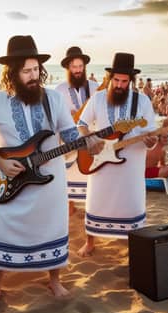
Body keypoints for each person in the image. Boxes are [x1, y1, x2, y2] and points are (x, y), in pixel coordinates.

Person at [0, 35, 103, 307]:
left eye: (35, 70)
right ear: (12, 72)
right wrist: (2, 163)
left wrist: (88, 142)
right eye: (26, 71)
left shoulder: (53, 98)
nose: (33, 76)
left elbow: (68, 132)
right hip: (10, 182)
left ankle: (54, 280)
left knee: (53, 229)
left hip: (50, 184)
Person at [77, 52, 157, 256]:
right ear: (110, 78)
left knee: (131, 203)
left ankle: (133, 242)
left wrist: (151, 140)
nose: (120, 85)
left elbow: (151, 133)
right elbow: (82, 124)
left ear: (131, 80)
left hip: (131, 164)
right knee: (96, 200)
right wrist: (90, 138)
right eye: (116, 80)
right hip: (101, 160)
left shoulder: (142, 101)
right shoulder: (98, 98)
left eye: (124, 81)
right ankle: (90, 241)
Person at [55, 47, 99, 215]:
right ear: (68, 68)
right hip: (70, 142)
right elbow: (56, 117)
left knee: (92, 181)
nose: (78, 70)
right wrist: (68, 116)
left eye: (80, 66)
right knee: (70, 179)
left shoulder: (96, 88)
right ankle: (70, 209)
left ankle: (91, 210)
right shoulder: (59, 90)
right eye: (74, 66)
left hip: (92, 139)